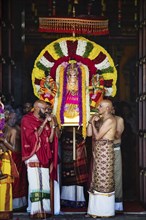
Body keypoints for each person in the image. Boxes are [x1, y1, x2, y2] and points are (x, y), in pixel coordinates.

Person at [21, 99, 60, 219]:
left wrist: (53, 126)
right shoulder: (27, 120)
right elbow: (33, 137)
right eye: (44, 109)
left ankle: (45, 210)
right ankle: (36, 211)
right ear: (37, 108)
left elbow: (51, 139)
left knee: (45, 185)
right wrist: (44, 124)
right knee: (35, 184)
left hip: (44, 155)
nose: (47, 111)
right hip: (33, 155)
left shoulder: (45, 120)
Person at [86, 99, 117, 218]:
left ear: (107, 108)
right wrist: (90, 121)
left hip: (105, 152)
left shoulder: (110, 120)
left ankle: (104, 211)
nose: (98, 108)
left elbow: (98, 136)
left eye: (100, 106)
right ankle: (94, 210)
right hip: (98, 151)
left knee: (104, 179)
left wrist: (93, 124)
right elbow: (89, 134)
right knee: (96, 177)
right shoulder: (101, 119)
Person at [112, 104, 124, 212]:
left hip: (114, 149)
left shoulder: (118, 119)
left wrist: (109, 123)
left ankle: (117, 205)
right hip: (101, 151)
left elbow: (117, 135)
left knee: (116, 176)